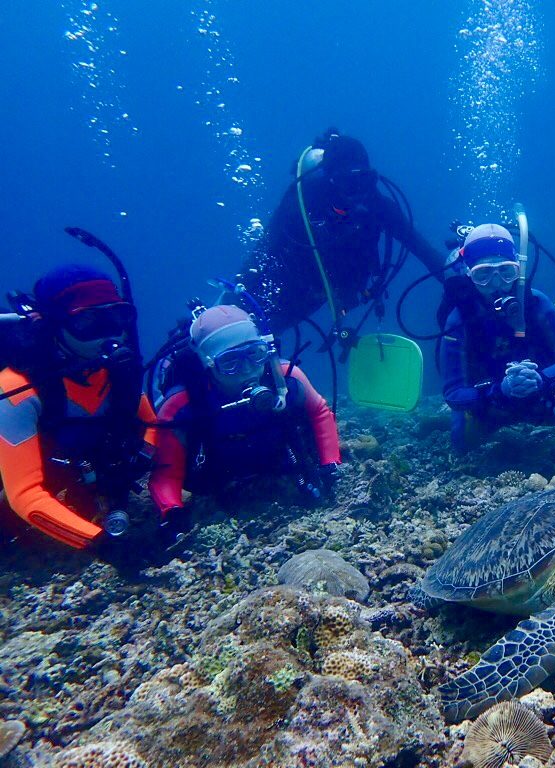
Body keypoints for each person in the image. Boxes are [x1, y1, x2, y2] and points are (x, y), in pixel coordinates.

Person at [148, 305, 342, 545]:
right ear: (207, 364)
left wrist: (330, 464)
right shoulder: (180, 406)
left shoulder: (285, 378)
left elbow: (321, 412)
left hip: (277, 463)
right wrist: (172, 512)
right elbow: (165, 473)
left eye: (255, 354)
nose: (248, 370)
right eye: (230, 362)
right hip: (214, 480)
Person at [0, 264, 156, 552]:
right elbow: (23, 495)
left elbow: (152, 425)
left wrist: (143, 458)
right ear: (51, 325)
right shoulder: (16, 387)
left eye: (116, 316)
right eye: (87, 321)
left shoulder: (118, 372)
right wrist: (99, 543)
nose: (108, 333)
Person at [241, 128, 445, 332]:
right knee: (260, 332)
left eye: (363, 180)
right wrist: (238, 294)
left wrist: (456, 282)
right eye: (348, 183)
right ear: (331, 180)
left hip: (343, 291)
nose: (357, 192)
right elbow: (263, 252)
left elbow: (423, 250)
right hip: (298, 287)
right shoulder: (302, 205)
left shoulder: (379, 206)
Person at [440, 224, 555, 453]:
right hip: (488, 402)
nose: (497, 285)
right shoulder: (459, 321)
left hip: (539, 395)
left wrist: (541, 379)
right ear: (468, 273)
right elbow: (452, 394)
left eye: (506, 272)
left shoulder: (536, 303)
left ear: (519, 270)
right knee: (462, 449)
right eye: (484, 275)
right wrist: (499, 391)